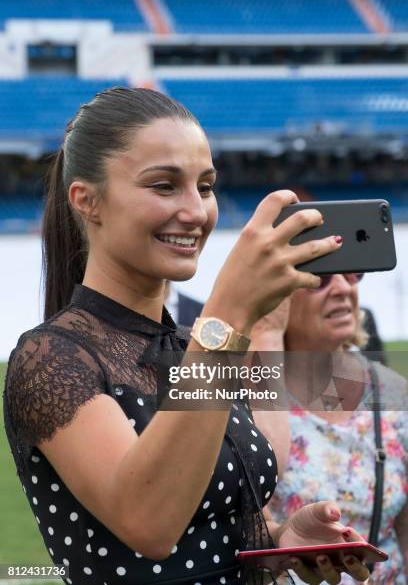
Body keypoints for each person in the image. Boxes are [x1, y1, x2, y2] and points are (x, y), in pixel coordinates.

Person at [3, 87, 369, 585]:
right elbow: (150, 523)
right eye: (164, 186)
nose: (196, 211)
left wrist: (280, 539)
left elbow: (229, 509)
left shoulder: (199, 343)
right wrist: (231, 310)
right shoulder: (49, 358)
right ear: (87, 201)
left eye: (206, 185)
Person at [250, 273, 408, 583]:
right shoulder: (243, 393)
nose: (343, 287)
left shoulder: (394, 394)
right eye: (319, 278)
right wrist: (265, 338)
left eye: (352, 274)